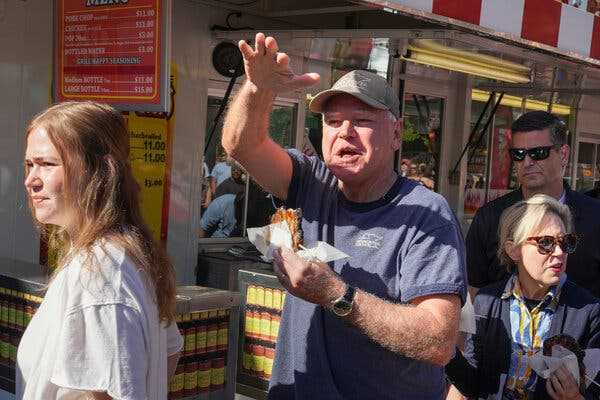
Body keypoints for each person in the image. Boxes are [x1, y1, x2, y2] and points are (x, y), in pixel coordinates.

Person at [223, 33, 467, 400]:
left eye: (362, 120)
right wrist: (257, 89)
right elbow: (241, 145)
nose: (345, 133)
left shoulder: (426, 213)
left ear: (397, 133)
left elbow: (438, 340)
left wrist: (336, 293)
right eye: (333, 121)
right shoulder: (310, 181)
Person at [18, 101, 182, 399]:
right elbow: (170, 351)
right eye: (30, 164)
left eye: (48, 164)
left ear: (97, 173)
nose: (31, 180)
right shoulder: (122, 253)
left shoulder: (101, 274)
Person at [446, 194, 600, 399]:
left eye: (566, 242)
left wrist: (575, 397)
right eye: (546, 242)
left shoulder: (588, 311)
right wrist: (447, 352)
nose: (559, 252)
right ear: (514, 250)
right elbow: (473, 382)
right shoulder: (486, 301)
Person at [466, 111, 600, 299]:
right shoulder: (489, 218)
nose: (527, 162)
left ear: (563, 154)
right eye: (518, 154)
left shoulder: (595, 217)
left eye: (538, 153)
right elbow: (474, 290)